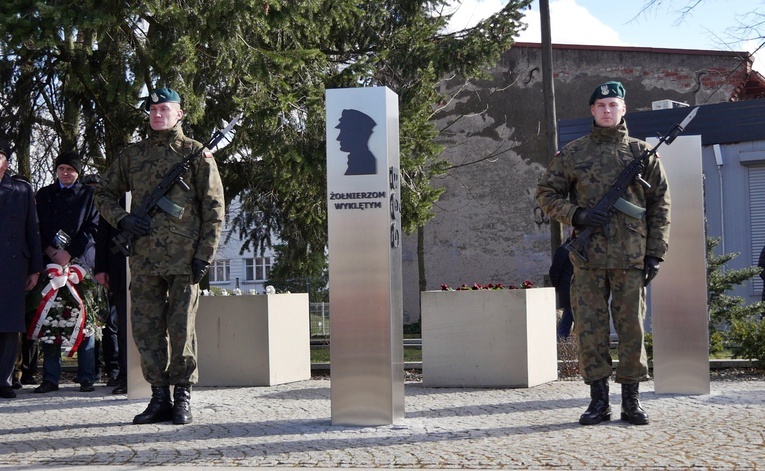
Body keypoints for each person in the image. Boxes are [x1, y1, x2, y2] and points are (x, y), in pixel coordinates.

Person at [536, 81, 670, 426]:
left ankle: (631, 401)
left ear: (623, 109)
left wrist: (655, 253)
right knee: (591, 331)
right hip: (588, 259)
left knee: (632, 330)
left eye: (614, 105)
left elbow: (660, 207)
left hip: (631, 257)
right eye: (601, 106)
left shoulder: (642, 154)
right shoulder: (573, 154)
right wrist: (577, 215)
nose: (607, 111)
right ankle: (599, 402)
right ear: (592, 111)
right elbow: (546, 195)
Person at [95, 87, 225, 425]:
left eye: (164, 109)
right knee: (146, 329)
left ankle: (182, 395)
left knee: (181, 329)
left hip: (184, 259)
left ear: (179, 113)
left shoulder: (196, 153)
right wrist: (123, 219)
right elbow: (103, 191)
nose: (156, 115)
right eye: (152, 110)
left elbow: (214, 208)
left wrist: (205, 255)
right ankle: (158, 397)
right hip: (144, 259)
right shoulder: (132, 156)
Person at [32, 150, 100, 394]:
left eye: (70, 169)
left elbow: (93, 227)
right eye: (62, 168)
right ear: (57, 170)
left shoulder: (90, 195)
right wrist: (51, 252)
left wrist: (69, 253)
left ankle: (86, 376)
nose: (66, 172)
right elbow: (35, 226)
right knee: (51, 318)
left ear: (78, 172)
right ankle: (50, 378)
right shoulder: (45, 194)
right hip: (50, 264)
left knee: (85, 320)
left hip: (80, 264)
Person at [0, 139, 44, 399]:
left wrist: (35, 269)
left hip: (12, 265)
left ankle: (3, 379)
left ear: (5, 161)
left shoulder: (21, 190)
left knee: (7, 325)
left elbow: (32, 228)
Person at [94, 201, 128, 394]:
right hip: (120, 270)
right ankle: (125, 376)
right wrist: (101, 268)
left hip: (153, 269)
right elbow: (103, 234)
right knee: (123, 328)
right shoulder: (115, 195)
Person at [549, 238, 574, 340]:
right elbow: (554, 271)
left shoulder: (573, 249)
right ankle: (560, 341)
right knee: (568, 317)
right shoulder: (564, 250)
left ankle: (561, 341)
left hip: (573, 288)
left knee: (569, 316)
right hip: (568, 288)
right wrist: (558, 287)